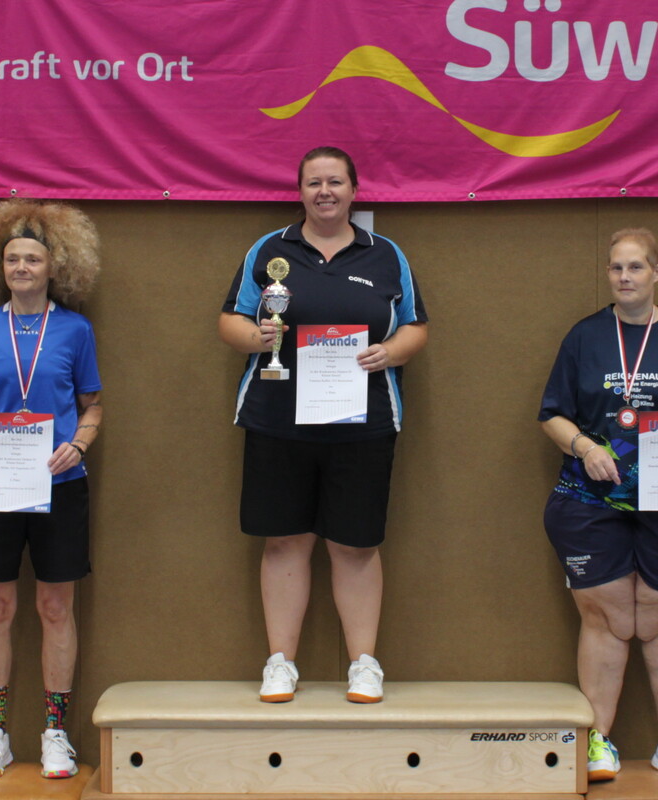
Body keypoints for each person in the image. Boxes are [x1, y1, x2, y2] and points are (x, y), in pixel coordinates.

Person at [219, 146, 428, 704]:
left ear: (354, 190)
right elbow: (230, 319)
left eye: (335, 182)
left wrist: (390, 352)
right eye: (314, 182)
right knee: (284, 541)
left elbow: (415, 327)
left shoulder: (387, 255)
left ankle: (364, 664)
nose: (325, 192)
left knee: (355, 546)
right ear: (300, 191)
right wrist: (256, 338)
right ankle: (280, 663)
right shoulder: (268, 251)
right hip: (277, 420)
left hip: (363, 424)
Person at [538, 228, 658, 784]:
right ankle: (598, 741)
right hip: (590, 498)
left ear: (657, 272)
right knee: (606, 618)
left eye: (636, 267)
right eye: (616, 268)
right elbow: (551, 414)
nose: (625, 277)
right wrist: (585, 446)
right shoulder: (584, 337)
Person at [0, 200, 102, 780]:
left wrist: (79, 445)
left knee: (54, 606)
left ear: (53, 266)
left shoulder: (76, 330)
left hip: (58, 484)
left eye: (32, 259)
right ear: (1, 266)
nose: (21, 267)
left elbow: (93, 406)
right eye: (12, 258)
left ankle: (55, 734)